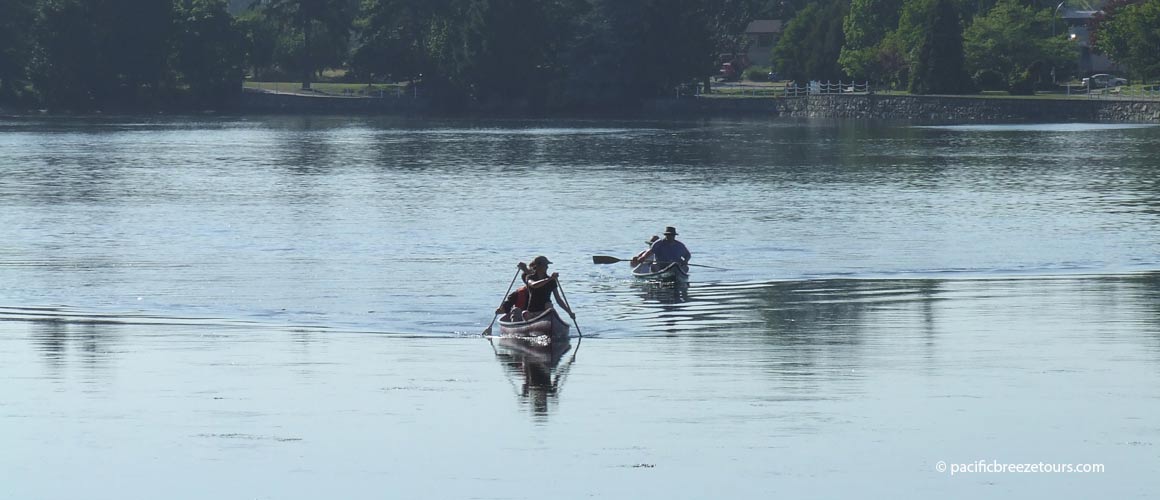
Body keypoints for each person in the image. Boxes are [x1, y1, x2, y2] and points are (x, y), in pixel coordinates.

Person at [517, 255, 576, 320]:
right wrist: (549, 279)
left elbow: (558, 299)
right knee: (524, 313)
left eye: (547, 265)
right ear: (538, 266)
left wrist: (569, 312)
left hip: (546, 310)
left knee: (549, 305)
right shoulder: (530, 277)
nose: (547, 267)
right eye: (545, 265)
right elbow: (534, 285)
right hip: (532, 311)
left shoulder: (552, 281)